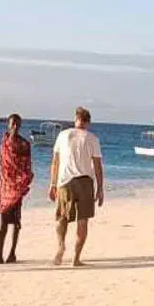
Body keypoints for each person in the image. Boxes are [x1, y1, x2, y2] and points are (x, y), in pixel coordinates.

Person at [48, 107, 104, 268]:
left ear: (75, 119)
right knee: (82, 220)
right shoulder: (92, 138)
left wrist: (52, 184)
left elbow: (55, 162)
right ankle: (76, 259)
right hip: (85, 182)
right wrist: (100, 189)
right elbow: (98, 166)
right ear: (88, 122)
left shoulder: (63, 135)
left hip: (65, 182)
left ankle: (60, 247)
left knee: (62, 217)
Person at [0, 113, 33, 264]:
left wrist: (23, 183)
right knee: (2, 222)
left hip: (17, 187)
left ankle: (12, 253)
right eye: (13, 123)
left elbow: (27, 166)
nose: (15, 127)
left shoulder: (24, 144)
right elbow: (1, 167)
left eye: (17, 124)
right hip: (5, 187)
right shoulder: (4, 143)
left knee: (16, 222)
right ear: (8, 124)